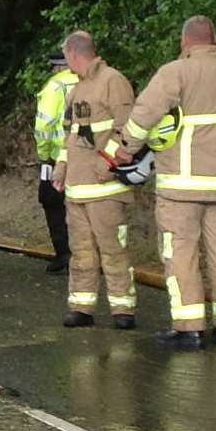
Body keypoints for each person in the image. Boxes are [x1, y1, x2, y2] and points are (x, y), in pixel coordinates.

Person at [115, 15, 216, 350]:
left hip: (180, 189)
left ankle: (189, 327)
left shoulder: (174, 72)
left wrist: (126, 149)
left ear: (184, 41)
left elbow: (144, 114)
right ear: (214, 39)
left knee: (180, 255)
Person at [52, 31, 137, 329]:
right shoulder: (76, 90)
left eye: (66, 57)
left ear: (75, 54)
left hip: (105, 188)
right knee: (82, 253)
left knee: (113, 250)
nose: (66, 63)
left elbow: (127, 129)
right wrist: (61, 168)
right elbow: (69, 136)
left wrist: (109, 161)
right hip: (77, 190)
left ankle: (123, 310)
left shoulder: (114, 81)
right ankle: (81, 307)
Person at [33, 50, 79, 274]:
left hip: (57, 156)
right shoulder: (90, 81)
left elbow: (44, 126)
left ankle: (64, 254)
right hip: (88, 156)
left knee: (52, 202)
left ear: (57, 66)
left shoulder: (55, 86)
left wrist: (44, 155)